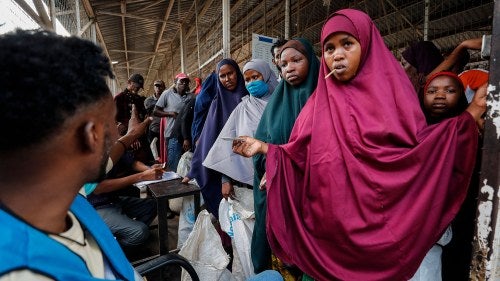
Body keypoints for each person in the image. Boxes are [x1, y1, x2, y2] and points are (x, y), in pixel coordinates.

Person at [232, 9, 486, 280]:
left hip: (381, 230)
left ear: (366, 45)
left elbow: (416, 156)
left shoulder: (394, 94)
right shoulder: (318, 104)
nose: (337, 54)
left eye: (347, 44)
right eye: (329, 48)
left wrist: (464, 122)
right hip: (329, 232)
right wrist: (268, 152)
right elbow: (302, 153)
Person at [0, 29, 145, 280]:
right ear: (91, 136)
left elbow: (109, 158)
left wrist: (131, 135)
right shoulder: (24, 272)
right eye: (111, 121)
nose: (116, 130)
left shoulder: (65, 194)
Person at [248, 39, 320, 277]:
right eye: (283, 64)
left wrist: (282, 164)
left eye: (296, 60)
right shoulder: (277, 103)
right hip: (275, 188)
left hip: (312, 192)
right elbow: (262, 142)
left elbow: (325, 150)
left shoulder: (325, 100)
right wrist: (271, 166)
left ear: (311, 60)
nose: (288, 68)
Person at [202, 59, 278, 279]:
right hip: (248, 183)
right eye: (248, 79)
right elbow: (229, 144)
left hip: (278, 177)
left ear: (268, 76)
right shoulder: (243, 107)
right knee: (251, 237)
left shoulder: (281, 104)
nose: (252, 83)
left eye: (257, 77)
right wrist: (226, 178)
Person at [182, 59, 248, 219]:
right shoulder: (216, 103)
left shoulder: (248, 98)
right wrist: (195, 168)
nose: (227, 79)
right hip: (224, 166)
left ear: (237, 73)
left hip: (245, 166)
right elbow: (208, 138)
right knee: (230, 213)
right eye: (222, 76)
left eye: (230, 73)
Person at [86, 154, 161, 249]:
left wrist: (148, 170)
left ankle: (128, 235)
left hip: (113, 200)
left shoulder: (115, 147)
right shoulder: (90, 153)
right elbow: (100, 187)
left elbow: (131, 161)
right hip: (96, 206)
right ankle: (110, 250)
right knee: (140, 232)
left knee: (152, 205)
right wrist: (142, 176)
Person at [154, 73, 192, 168]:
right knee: (174, 163)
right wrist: (171, 114)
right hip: (172, 135)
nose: (184, 84)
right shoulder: (167, 94)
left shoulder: (190, 96)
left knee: (186, 164)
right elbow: (156, 111)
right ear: (175, 82)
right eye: (181, 81)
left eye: (186, 82)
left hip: (186, 135)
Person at [114, 73, 153, 164]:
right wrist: (129, 137)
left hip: (140, 136)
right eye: (136, 86)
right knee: (128, 163)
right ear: (129, 82)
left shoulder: (139, 99)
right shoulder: (119, 98)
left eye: (139, 87)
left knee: (147, 161)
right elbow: (113, 120)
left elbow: (143, 117)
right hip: (125, 136)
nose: (137, 89)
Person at [191, 71, 218, 148]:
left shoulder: (206, 95)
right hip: (202, 132)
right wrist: (197, 137)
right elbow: (199, 118)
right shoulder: (203, 98)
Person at [144, 79, 166, 161]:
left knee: (164, 151)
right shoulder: (148, 101)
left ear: (164, 87)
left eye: (160, 86)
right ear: (154, 87)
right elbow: (146, 114)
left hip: (165, 129)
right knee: (154, 151)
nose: (158, 88)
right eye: (156, 86)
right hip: (153, 129)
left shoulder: (167, 99)